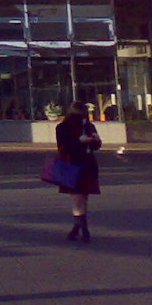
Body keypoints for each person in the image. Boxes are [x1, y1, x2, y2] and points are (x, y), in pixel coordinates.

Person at [53, 100, 102, 243]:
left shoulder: (88, 126)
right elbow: (63, 146)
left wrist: (95, 140)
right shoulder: (62, 127)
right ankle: (84, 230)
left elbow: (96, 146)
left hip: (87, 164)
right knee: (77, 198)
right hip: (71, 164)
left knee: (83, 197)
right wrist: (79, 141)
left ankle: (76, 229)